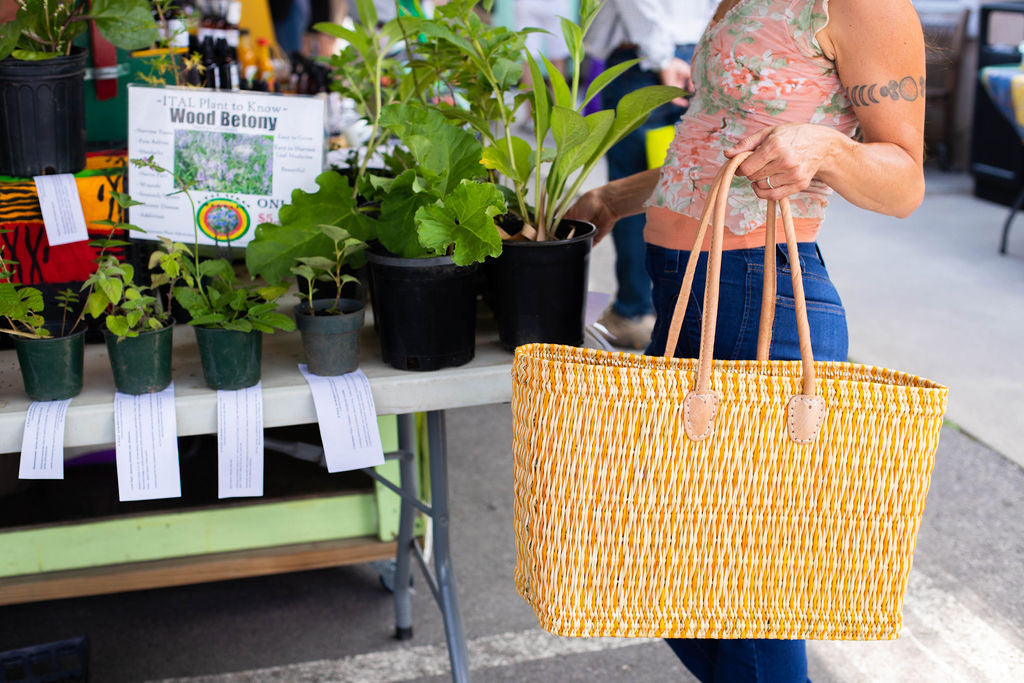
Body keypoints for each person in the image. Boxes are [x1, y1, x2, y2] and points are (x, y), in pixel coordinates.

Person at [567, 0, 926, 679]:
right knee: (653, 567)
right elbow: (726, 140)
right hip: (688, 296)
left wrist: (828, 148)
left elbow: (904, 181)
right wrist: (619, 197)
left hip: (754, 303)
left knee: (740, 607)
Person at [586, 0, 717, 349]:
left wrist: (661, 57)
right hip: (698, 54)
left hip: (647, 61)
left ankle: (635, 311)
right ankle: (689, 317)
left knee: (631, 197)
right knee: (691, 190)